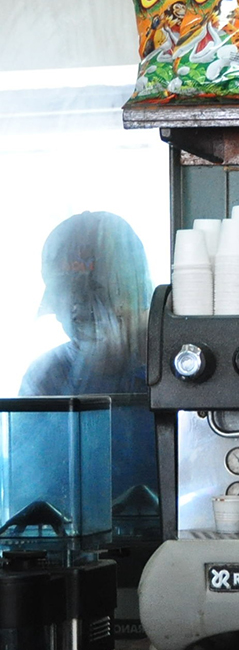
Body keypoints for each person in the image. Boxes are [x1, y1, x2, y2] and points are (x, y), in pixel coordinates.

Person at [21, 212, 159, 538]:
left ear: (135, 293)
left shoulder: (179, 367)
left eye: (90, 302)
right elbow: (30, 500)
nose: (71, 315)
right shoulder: (47, 379)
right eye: (66, 302)